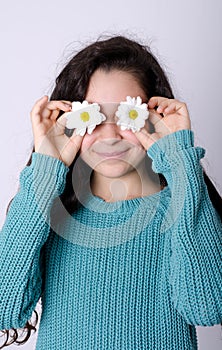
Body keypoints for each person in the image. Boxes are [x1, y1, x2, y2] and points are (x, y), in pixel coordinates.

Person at [0, 35, 221, 350]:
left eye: (126, 116)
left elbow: (208, 306)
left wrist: (179, 161)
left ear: (154, 117)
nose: (110, 135)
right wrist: (45, 168)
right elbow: (4, 308)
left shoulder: (180, 209)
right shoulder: (52, 213)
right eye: (92, 117)